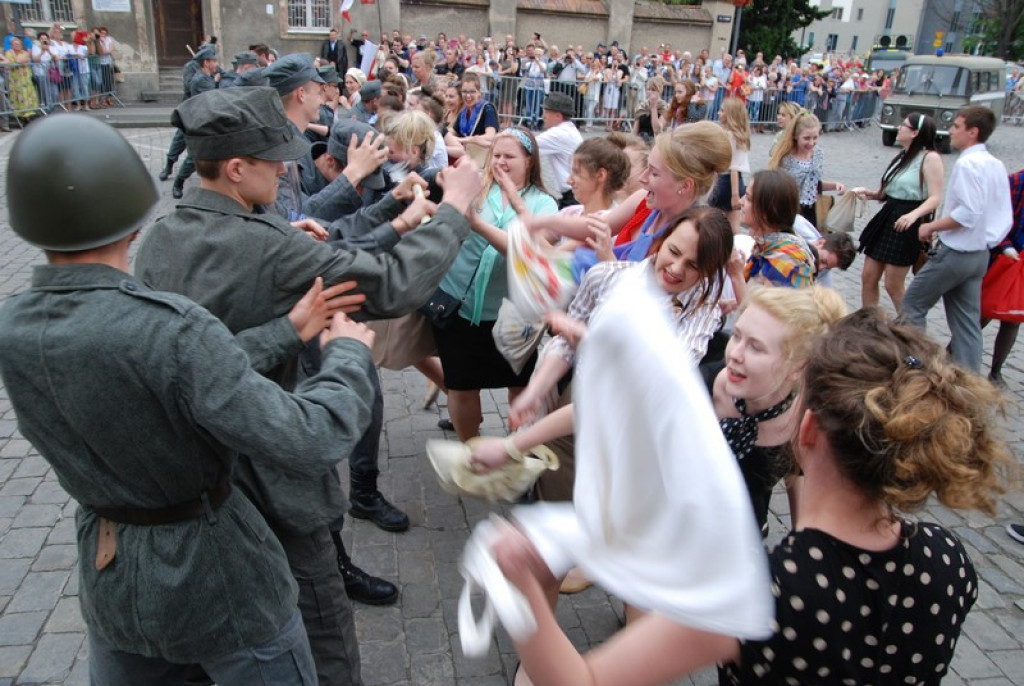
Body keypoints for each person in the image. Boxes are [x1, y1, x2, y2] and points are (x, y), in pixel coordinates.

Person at [0, 114, 380, 686]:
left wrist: (285, 330)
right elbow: (308, 436)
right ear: (132, 214)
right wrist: (348, 356)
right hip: (219, 579)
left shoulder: (13, 326)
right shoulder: (173, 329)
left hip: (113, 576)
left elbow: (171, 375)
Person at [135, 86, 482, 684]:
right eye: (274, 158)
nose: (287, 166)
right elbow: (395, 283)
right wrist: (455, 207)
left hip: (196, 479)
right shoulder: (265, 247)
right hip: (272, 477)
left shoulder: (162, 238)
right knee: (323, 641)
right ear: (237, 168)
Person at [492, 307, 1011, 686]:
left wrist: (523, 588)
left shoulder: (757, 592)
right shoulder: (949, 560)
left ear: (805, 430)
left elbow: (580, 681)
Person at [432, 127, 558, 441]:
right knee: (461, 387)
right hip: (461, 309)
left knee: (519, 386)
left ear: (529, 161)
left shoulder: (544, 204)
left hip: (514, 317)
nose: (500, 161)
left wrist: (477, 224)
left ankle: (516, 450)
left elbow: (531, 251)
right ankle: (470, 449)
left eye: (509, 156)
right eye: (496, 155)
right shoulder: (477, 188)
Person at [710, 286, 847, 534]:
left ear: (796, 367)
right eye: (737, 335)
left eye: (756, 347)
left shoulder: (802, 420)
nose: (735, 355)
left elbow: (797, 473)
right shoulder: (706, 384)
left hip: (742, 530)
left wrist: (802, 536)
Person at [901, 106, 1013, 372]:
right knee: (966, 322)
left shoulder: (968, 163)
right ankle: (970, 379)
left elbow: (968, 214)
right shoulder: (995, 164)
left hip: (958, 251)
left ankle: (916, 367)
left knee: (912, 304)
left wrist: (931, 227)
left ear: (972, 132)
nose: (951, 130)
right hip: (979, 254)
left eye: (957, 126)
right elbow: (999, 211)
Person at [856, 114, 944, 312]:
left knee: (893, 284)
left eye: (903, 125)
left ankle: (910, 328)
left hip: (907, 221)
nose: (898, 127)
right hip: (889, 216)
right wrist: (873, 195)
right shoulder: (904, 154)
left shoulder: (930, 158)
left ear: (915, 133)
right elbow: (893, 190)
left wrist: (913, 215)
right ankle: (869, 325)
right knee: (868, 277)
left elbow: (935, 197)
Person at [768, 111, 845, 229]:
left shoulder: (818, 154)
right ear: (795, 136)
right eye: (806, 138)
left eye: (815, 138)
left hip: (811, 210)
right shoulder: (786, 158)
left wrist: (835, 185)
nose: (811, 143)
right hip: (788, 210)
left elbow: (813, 183)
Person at [741, 170, 817, 289]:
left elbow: (767, 307)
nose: (741, 202)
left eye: (749, 199)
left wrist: (735, 277)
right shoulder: (767, 246)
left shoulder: (783, 262)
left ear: (766, 211)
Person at [983, 168, 1024, 386]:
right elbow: (994, 218)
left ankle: (996, 371)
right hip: (1004, 256)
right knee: (985, 310)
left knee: (1013, 318)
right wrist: (1005, 247)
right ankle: (950, 355)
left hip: (1022, 261)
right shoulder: (1017, 181)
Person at [710, 97, 751, 233]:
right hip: (736, 181)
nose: (719, 113)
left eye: (722, 111)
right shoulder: (740, 135)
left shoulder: (729, 135)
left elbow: (733, 167)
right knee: (734, 224)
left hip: (726, 182)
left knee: (717, 223)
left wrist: (734, 195)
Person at [536, 91, 583, 208]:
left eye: (546, 112)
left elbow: (525, 144)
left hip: (573, 195)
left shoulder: (560, 133)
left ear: (558, 116)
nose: (543, 116)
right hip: (573, 193)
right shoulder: (568, 130)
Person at [630, 76, 665, 142]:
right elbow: (635, 130)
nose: (650, 92)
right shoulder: (642, 106)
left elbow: (657, 130)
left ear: (660, 90)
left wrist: (654, 108)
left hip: (656, 142)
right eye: (648, 89)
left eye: (653, 90)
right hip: (641, 141)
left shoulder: (663, 107)